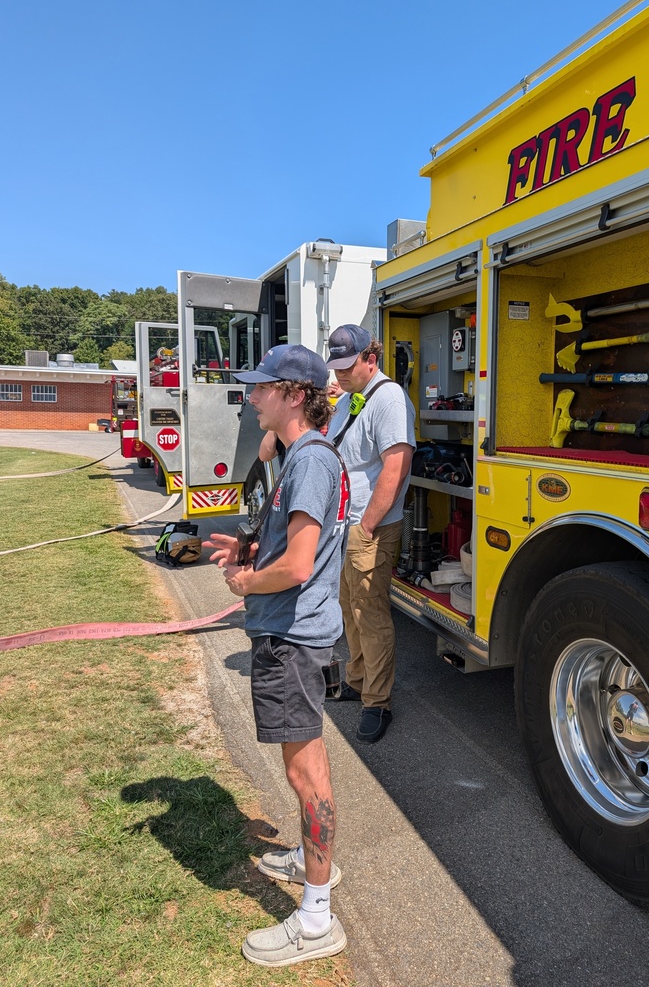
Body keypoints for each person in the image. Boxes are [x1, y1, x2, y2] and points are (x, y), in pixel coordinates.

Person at [203, 343, 350, 968]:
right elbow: (289, 549)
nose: (251, 396)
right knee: (303, 768)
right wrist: (247, 553)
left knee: (306, 774)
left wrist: (244, 583)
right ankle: (310, 861)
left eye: (262, 388)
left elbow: (295, 567)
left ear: (295, 394)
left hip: (293, 640)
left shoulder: (310, 461)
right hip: (294, 634)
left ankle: (316, 918)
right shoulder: (302, 457)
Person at [325, 324, 415, 744]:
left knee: (370, 615)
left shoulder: (390, 398)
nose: (340, 374)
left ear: (370, 359)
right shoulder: (348, 399)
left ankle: (377, 703)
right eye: (336, 366)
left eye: (348, 366)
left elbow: (394, 468)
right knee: (349, 607)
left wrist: (366, 527)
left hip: (370, 527)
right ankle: (357, 681)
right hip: (348, 524)